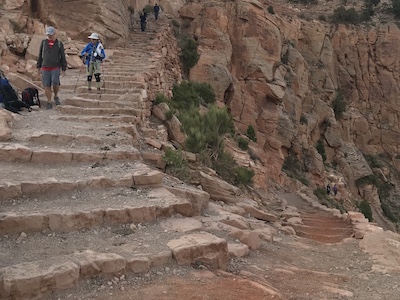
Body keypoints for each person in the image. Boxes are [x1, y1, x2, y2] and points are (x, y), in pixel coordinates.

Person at [36, 26, 67, 109]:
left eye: (51, 34)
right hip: (45, 66)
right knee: (47, 84)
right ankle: (49, 101)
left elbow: (63, 56)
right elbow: (40, 55)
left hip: (55, 66)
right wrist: (38, 67)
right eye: (48, 34)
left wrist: (64, 68)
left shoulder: (59, 44)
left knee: (55, 82)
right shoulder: (43, 43)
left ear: (54, 34)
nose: (49, 36)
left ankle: (56, 95)